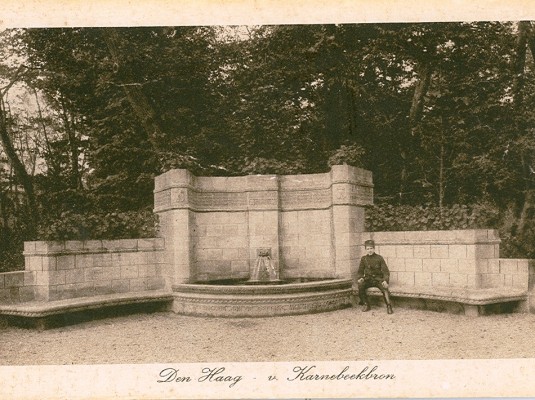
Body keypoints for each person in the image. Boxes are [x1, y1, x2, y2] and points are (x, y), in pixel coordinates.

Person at [356, 239, 393, 314]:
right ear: (365, 250)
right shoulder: (364, 259)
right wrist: (360, 278)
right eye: (368, 249)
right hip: (368, 279)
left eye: (371, 248)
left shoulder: (379, 258)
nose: (369, 250)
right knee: (360, 286)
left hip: (378, 279)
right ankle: (366, 304)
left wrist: (385, 280)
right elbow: (360, 271)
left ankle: (389, 306)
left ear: (374, 248)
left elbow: (386, 271)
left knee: (385, 288)